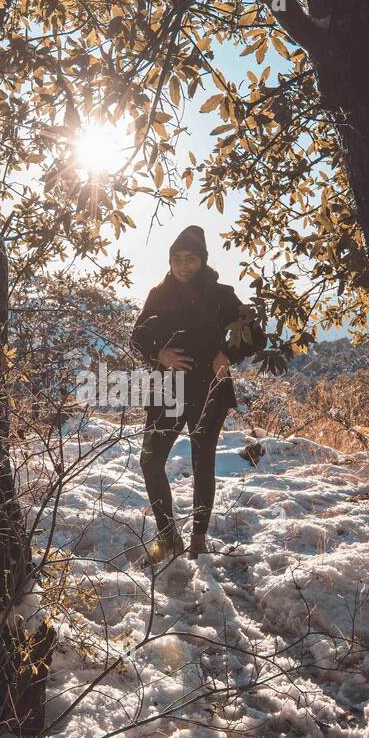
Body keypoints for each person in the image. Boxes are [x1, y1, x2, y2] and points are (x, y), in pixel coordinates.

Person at [131, 225, 266, 562]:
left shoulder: (221, 295)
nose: (183, 265)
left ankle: (199, 538)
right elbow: (139, 335)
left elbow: (255, 332)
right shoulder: (159, 294)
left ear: (203, 260)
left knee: (201, 461)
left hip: (210, 389)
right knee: (150, 460)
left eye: (190, 258)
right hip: (168, 388)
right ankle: (168, 535)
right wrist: (158, 353)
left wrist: (227, 354)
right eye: (177, 259)